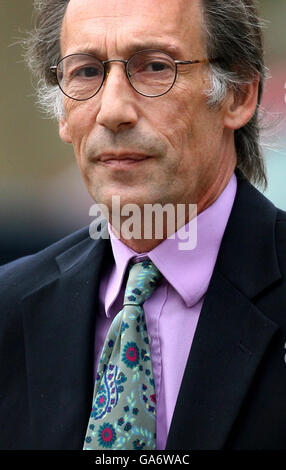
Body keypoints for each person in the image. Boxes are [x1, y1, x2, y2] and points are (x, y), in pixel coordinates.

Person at [1, 0, 286, 451]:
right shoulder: (10, 308)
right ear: (62, 114)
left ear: (239, 94)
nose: (113, 111)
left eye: (155, 67)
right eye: (87, 72)